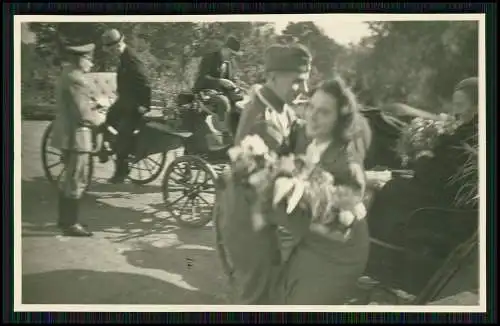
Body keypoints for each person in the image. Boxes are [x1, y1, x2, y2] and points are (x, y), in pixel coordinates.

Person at [216, 42, 313, 304]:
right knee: (257, 296)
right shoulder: (261, 120)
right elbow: (265, 185)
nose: (304, 89)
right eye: (297, 81)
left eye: (306, 81)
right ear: (272, 77)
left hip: (262, 217)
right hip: (249, 221)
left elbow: (296, 133)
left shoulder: (281, 107)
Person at [272, 77, 372, 304]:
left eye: (324, 112)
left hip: (339, 254)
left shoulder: (347, 163)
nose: (313, 116)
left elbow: (341, 226)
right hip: (312, 241)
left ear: (340, 120)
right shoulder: (312, 144)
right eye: (311, 107)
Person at [367, 77, 479, 246]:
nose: (455, 112)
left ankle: (371, 244)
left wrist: (423, 154)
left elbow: (433, 178)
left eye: (460, 105)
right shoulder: (466, 135)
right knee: (384, 179)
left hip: (436, 206)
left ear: (478, 108)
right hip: (438, 198)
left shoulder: (465, 140)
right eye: (455, 105)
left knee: (382, 187)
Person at [51, 43, 104, 237]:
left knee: (70, 177)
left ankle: (64, 220)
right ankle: (71, 224)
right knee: (77, 179)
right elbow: (83, 115)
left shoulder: (67, 74)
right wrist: (101, 118)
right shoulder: (77, 79)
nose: (91, 63)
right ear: (80, 59)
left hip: (67, 133)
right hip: (77, 136)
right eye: (89, 59)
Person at [100, 29, 152, 184]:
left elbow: (146, 83)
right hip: (125, 102)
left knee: (123, 133)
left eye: (111, 49)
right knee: (107, 120)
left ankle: (122, 170)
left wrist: (144, 105)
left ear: (118, 45)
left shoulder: (131, 59)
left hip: (135, 105)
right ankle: (107, 148)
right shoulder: (123, 57)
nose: (110, 52)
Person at [193, 35, 242, 136]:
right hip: (205, 91)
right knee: (223, 102)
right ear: (224, 49)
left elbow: (232, 79)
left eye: (235, 55)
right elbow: (203, 78)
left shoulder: (230, 63)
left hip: (223, 92)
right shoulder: (209, 58)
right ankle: (222, 132)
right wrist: (220, 81)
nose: (233, 57)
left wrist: (236, 85)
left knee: (241, 103)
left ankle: (236, 133)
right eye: (231, 53)